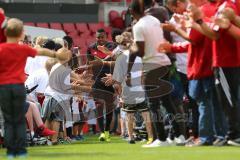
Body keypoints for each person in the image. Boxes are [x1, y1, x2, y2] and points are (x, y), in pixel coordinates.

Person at [128, 0, 185, 147]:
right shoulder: (153, 19)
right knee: (167, 101)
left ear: (133, 12)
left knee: (153, 104)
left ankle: (161, 138)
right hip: (165, 63)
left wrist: (132, 48)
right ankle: (179, 136)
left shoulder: (138, 26)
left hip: (152, 65)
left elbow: (140, 51)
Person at [0, 18, 57, 158]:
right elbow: (41, 52)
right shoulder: (23, 48)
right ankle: (20, 149)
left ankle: (11, 150)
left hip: (4, 88)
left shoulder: (1, 49)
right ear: (21, 34)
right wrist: (56, 54)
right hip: (19, 87)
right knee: (19, 119)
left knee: (8, 120)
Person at [188, 0, 240, 146]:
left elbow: (214, 35)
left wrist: (199, 20)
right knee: (229, 99)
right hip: (227, 61)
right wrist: (198, 22)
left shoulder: (226, 6)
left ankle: (234, 135)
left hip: (225, 61)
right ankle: (232, 134)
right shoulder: (225, 6)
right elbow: (215, 32)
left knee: (228, 99)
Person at [86, 28, 116, 142]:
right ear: (96, 37)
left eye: (102, 37)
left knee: (109, 106)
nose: (100, 39)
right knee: (98, 106)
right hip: (97, 80)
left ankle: (107, 131)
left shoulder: (112, 47)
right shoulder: (91, 48)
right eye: (98, 37)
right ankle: (102, 132)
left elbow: (116, 60)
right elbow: (89, 64)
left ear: (106, 37)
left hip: (109, 78)